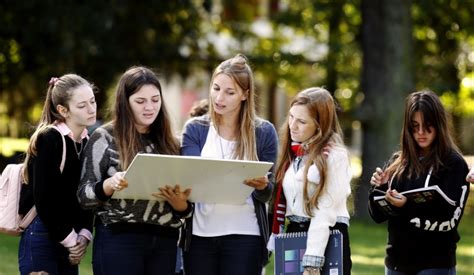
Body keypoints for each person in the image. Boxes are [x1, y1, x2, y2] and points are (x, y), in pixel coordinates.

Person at [77, 66, 193, 275]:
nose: (149, 107)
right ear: (125, 102)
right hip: (118, 240)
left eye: (155, 100)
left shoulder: (174, 143)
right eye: (140, 101)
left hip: (165, 241)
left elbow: (188, 207)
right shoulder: (104, 137)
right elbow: (84, 196)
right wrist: (108, 186)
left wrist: (181, 205)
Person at [180, 53, 278, 275]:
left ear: (245, 94)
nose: (219, 98)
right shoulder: (195, 129)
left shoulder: (264, 133)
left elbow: (268, 193)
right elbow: (191, 179)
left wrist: (263, 186)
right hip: (200, 237)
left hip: (246, 236)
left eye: (229, 92)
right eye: (216, 88)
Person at [369, 90, 470, 275]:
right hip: (395, 263)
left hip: (435, 264)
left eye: (428, 125)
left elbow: (449, 220)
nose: (421, 132)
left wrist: (406, 206)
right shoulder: (398, 162)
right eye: (415, 126)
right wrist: (380, 188)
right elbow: (377, 216)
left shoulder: (454, 164)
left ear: (439, 125)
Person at [18, 74, 97, 275]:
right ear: (63, 110)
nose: (91, 108)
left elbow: (86, 194)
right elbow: (44, 199)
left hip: (70, 236)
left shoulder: (88, 142)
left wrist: (84, 235)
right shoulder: (49, 138)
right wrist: (71, 241)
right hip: (43, 235)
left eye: (92, 101)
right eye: (82, 105)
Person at [270, 87, 352, 275]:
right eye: (291, 117)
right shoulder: (293, 154)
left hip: (326, 239)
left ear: (319, 125)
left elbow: (325, 210)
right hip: (294, 235)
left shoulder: (335, 156)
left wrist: (312, 264)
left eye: (301, 121)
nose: (292, 125)